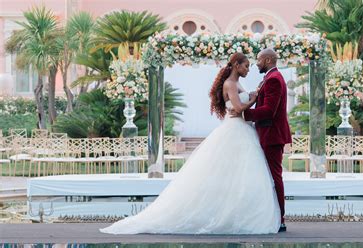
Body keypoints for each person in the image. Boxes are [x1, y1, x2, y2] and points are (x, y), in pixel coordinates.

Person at [100, 52, 281, 235]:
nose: (248, 69)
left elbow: (241, 104)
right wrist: (255, 98)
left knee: (239, 175)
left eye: (251, 65)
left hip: (242, 130)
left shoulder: (237, 83)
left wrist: (252, 95)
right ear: (236, 65)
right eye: (246, 65)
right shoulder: (230, 84)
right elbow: (238, 108)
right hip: (235, 129)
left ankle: (238, 212)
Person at [230, 48, 292, 232]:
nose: (256, 63)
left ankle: (280, 219)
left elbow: (268, 111)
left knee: (274, 177)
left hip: (272, 136)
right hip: (267, 134)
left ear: (267, 60)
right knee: (269, 177)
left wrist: (243, 112)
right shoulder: (270, 78)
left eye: (258, 60)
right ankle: (271, 216)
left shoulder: (273, 79)